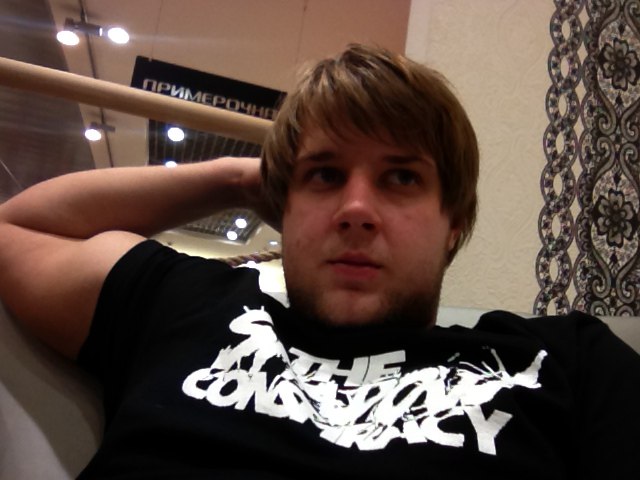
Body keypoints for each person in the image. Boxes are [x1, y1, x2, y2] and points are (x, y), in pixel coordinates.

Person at [0, 44, 638, 479]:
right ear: (283, 205)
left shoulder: (563, 365)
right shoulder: (187, 306)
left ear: (454, 224)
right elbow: (15, 228)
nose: (356, 209)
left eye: (401, 178)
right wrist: (237, 179)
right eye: (325, 176)